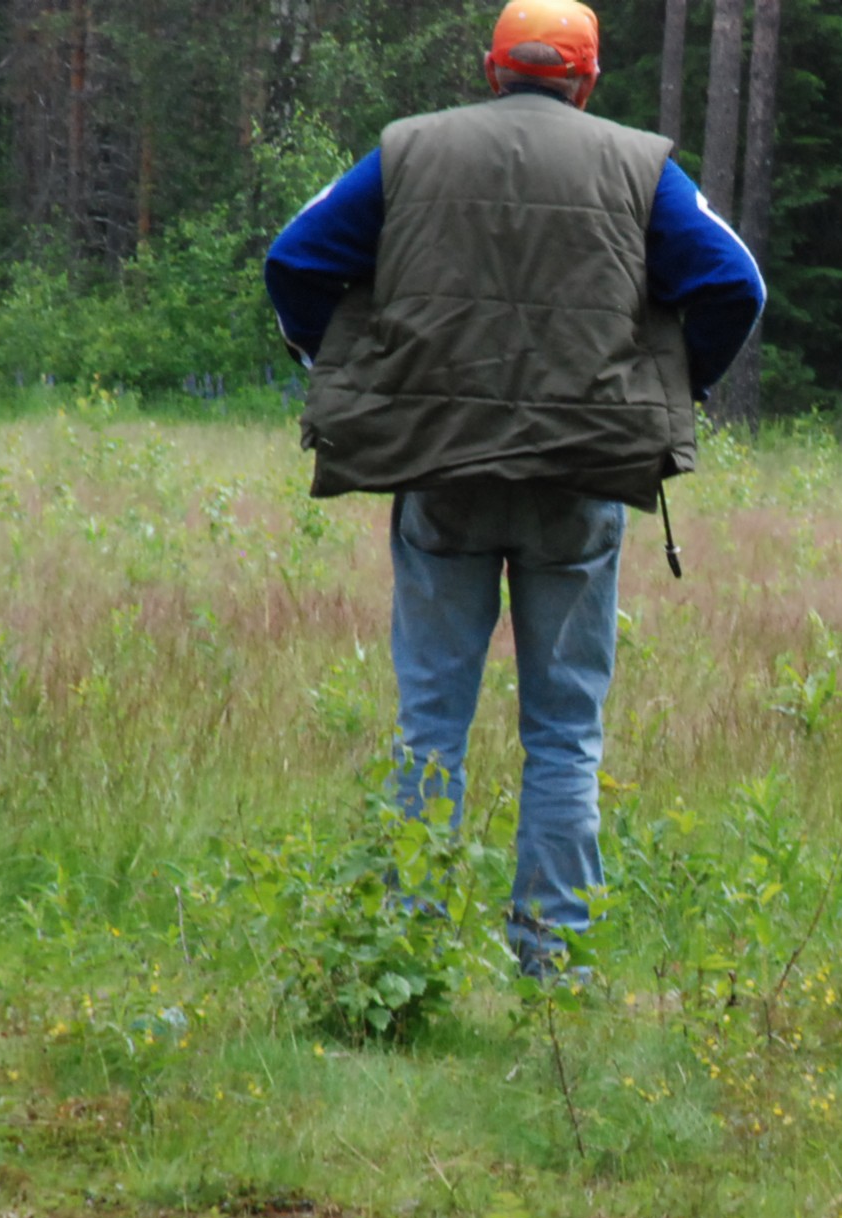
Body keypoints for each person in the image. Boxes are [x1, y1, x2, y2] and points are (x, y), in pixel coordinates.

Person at [263, 0, 765, 976]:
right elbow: (733, 284)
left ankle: (397, 953)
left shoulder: (407, 151)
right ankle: (555, 966)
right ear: (586, 79)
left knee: (428, 730)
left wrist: (355, 367)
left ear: (493, 69)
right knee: (565, 737)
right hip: (577, 482)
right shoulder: (639, 164)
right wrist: (672, 386)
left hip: (440, 475)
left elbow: (295, 261)